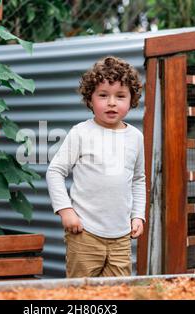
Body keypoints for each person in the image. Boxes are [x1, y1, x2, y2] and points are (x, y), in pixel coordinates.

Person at [46, 56, 146, 278]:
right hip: (84, 233)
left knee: (117, 293)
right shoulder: (81, 132)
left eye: (120, 96)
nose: (112, 102)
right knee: (81, 293)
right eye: (103, 95)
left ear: (132, 100)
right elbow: (55, 171)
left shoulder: (135, 137)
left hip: (121, 237)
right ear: (90, 99)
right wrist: (66, 211)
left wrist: (138, 215)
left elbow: (139, 179)